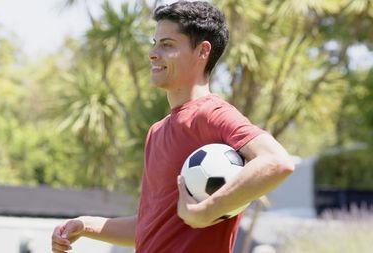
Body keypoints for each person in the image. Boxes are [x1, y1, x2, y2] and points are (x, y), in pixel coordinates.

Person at [51, 1, 294, 253]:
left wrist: (205, 213)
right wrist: (84, 225)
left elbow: (277, 161)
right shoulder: (156, 132)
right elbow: (149, 229)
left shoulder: (211, 113)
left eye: (167, 45)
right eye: (154, 43)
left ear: (202, 52)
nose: (153, 53)